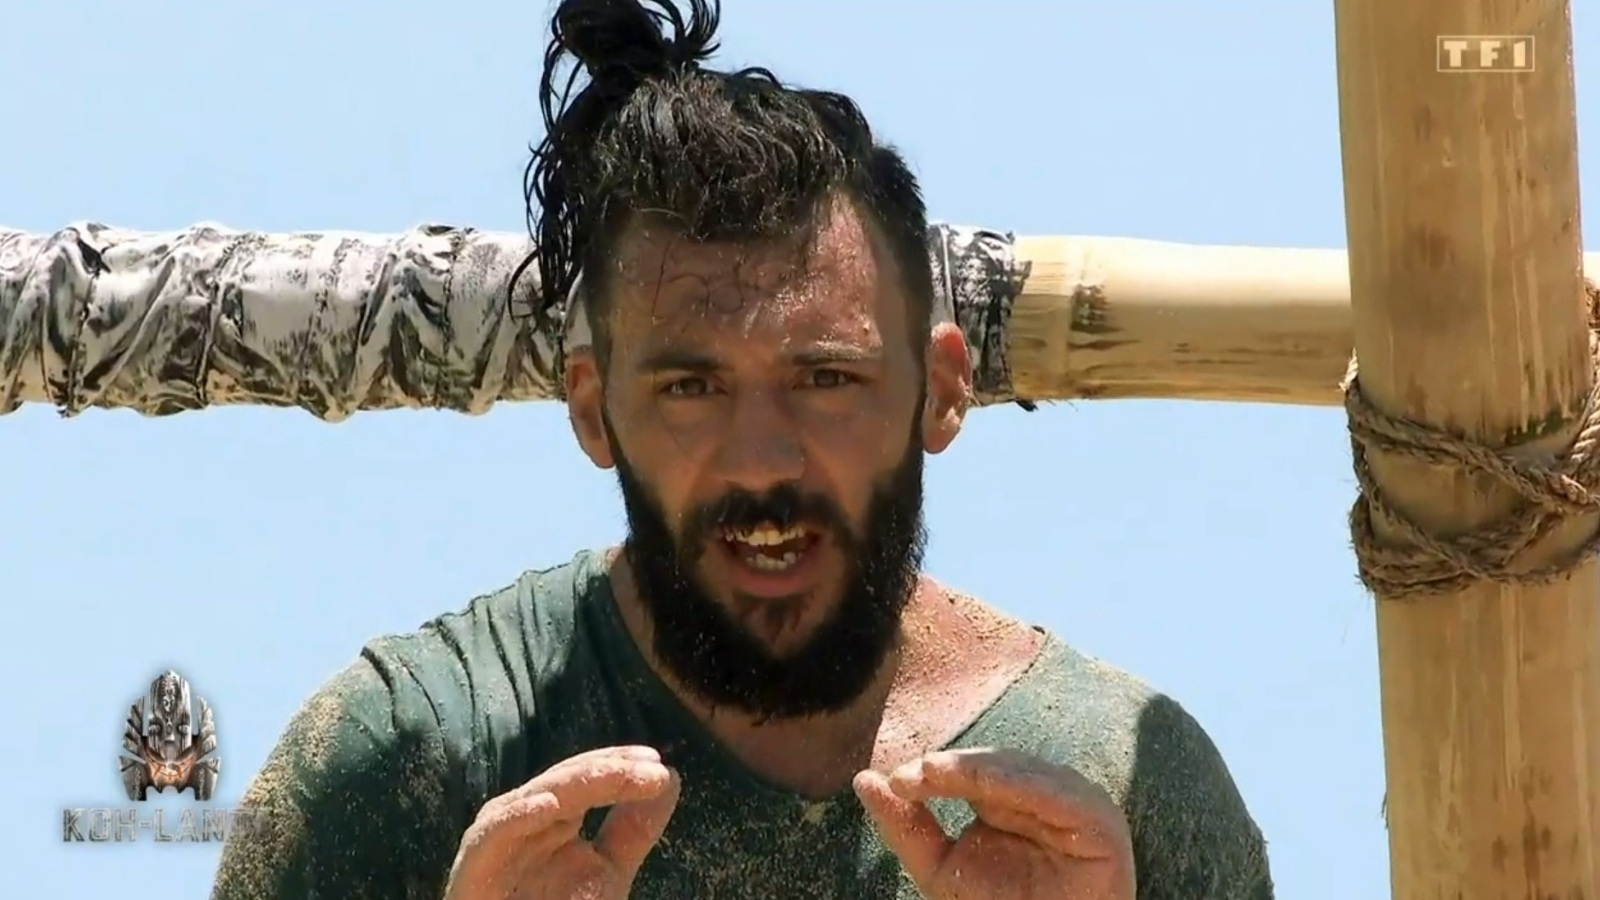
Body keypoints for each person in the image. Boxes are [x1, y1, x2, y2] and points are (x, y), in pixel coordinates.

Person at [210, 1, 1273, 897]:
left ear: (941, 391)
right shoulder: (412, 756)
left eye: (825, 379)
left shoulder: (1121, 791)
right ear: (593, 410)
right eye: (691, 388)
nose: (762, 461)